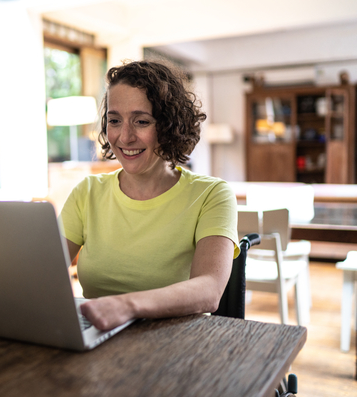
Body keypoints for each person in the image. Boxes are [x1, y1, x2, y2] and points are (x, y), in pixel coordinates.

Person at [59, 60, 239, 331]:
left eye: (141, 121)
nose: (125, 136)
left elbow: (209, 289)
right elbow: (43, 272)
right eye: (115, 121)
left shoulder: (212, 194)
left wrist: (126, 306)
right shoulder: (87, 192)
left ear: (170, 125)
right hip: (96, 336)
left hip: (175, 342)